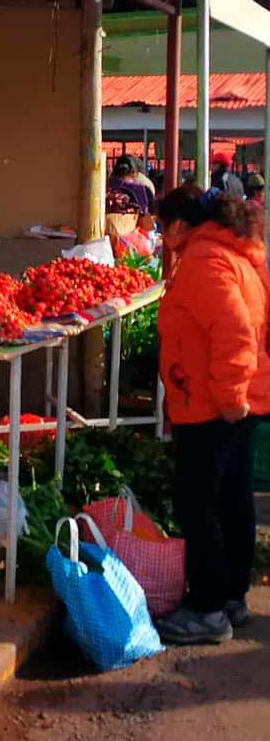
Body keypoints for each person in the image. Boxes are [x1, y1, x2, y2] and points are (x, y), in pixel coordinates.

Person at [154, 183, 270, 644]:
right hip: (232, 399)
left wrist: (228, 397)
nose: (160, 234)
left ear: (180, 225)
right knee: (231, 498)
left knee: (197, 504)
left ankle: (207, 609)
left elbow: (235, 331)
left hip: (212, 404)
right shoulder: (234, 254)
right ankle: (230, 598)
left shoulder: (204, 259)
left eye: (163, 226)